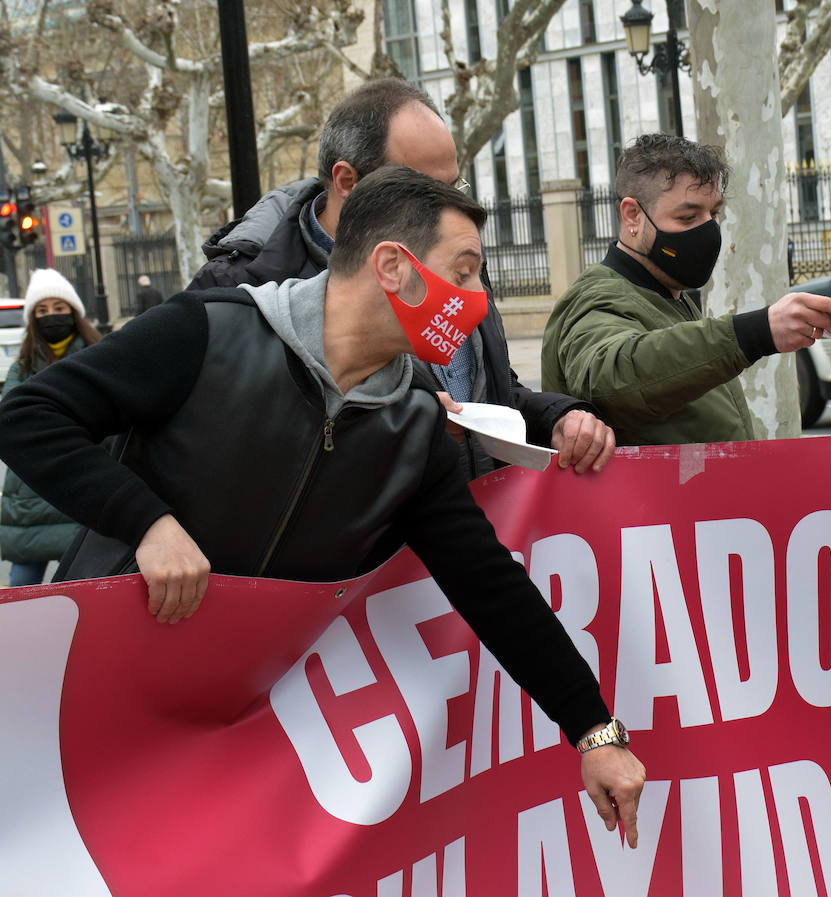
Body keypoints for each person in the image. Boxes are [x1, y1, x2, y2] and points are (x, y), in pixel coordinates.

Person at [0, 167, 645, 843]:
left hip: (239, 728)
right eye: (462, 271)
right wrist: (147, 522)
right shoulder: (206, 333)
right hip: (94, 703)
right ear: (393, 266)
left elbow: (492, 586)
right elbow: (28, 418)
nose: (475, 298)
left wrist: (593, 729)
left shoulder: (414, 426)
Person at [190, 77, 613, 476]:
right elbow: (225, 449)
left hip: (469, 529)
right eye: (423, 188)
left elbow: (487, 394)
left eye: (453, 186)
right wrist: (401, 422)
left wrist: (557, 417)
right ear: (347, 182)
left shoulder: (454, 262)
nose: (447, 209)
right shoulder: (238, 289)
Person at [541, 133, 831, 446]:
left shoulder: (668, 295)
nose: (709, 230)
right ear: (632, 215)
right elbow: (610, 379)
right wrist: (757, 332)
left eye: (714, 214)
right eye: (688, 217)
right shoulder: (597, 297)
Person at [1, 269, 101, 587]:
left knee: (85, 595)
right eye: (42, 311)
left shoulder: (100, 356)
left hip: (84, 487)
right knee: (21, 591)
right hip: (30, 493)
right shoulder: (23, 366)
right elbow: (12, 422)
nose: (51, 316)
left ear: (73, 311)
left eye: (59, 308)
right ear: (33, 319)